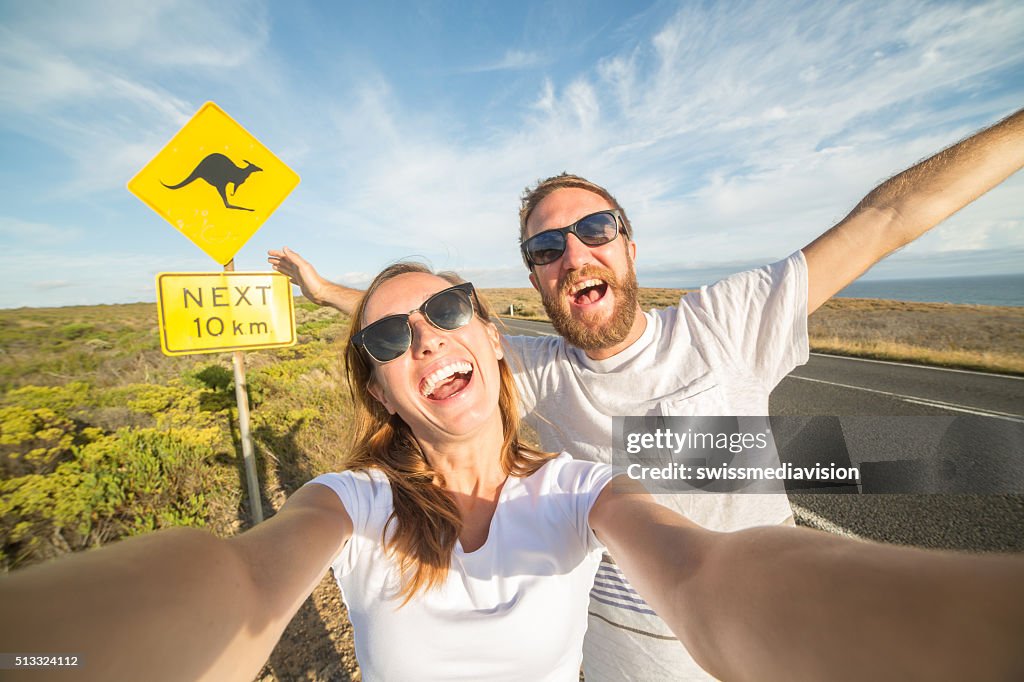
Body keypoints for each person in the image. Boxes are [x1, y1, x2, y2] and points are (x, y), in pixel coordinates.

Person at [268, 107, 1024, 680]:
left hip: (759, 645)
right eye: (545, 247)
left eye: (595, 228)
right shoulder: (525, 368)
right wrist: (327, 290)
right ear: (535, 279)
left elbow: (884, 220)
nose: (573, 253)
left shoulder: (725, 322)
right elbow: (426, 336)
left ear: (629, 245)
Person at [2, 263, 1023, 682]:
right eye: (390, 338)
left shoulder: (583, 475)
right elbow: (238, 582)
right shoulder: (354, 504)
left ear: (497, 342)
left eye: (448, 314)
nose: (426, 338)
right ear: (379, 388)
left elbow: (716, 579)